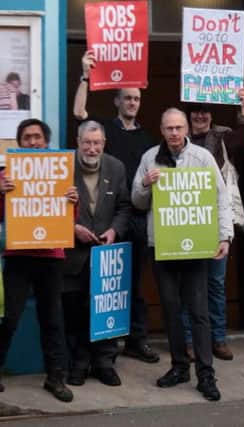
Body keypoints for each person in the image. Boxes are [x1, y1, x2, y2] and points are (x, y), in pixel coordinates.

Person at [131, 108, 233, 401]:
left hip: (195, 245)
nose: (174, 133)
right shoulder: (150, 158)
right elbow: (138, 203)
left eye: (178, 127)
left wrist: (224, 235)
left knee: (199, 311)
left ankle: (206, 374)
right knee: (171, 308)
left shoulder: (202, 158)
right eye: (169, 128)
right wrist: (145, 185)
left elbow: (220, 196)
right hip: (163, 245)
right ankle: (179, 366)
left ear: (186, 129)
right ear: (161, 130)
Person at [74, 50, 159, 364]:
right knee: (100, 284)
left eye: (136, 98)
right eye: (126, 98)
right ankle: (99, 349)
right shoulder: (102, 133)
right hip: (103, 219)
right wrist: (85, 74)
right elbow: (79, 111)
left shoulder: (150, 138)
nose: (132, 103)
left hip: (135, 217)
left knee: (134, 282)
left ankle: (136, 340)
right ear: (117, 101)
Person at [0, 119, 78, 402]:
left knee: (52, 319)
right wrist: (1, 193)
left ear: (46, 141)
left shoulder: (61, 172)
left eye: (37, 137)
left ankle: (55, 378)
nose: (33, 142)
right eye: (27, 137)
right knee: (8, 319)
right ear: (19, 143)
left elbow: (70, 220)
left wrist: (73, 200)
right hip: (18, 257)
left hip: (51, 257)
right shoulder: (6, 174)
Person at [182, 89, 244, 361]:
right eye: (195, 111)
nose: (200, 115)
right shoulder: (177, 140)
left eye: (205, 111)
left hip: (214, 222)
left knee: (215, 283)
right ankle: (189, 341)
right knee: (187, 284)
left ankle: (218, 339)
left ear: (211, 115)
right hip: (186, 221)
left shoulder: (221, 137)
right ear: (189, 116)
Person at [62, 120, 131, 387]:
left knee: (106, 309)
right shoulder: (63, 168)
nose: (92, 148)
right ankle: (79, 363)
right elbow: (51, 208)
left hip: (106, 255)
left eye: (97, 143)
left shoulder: (116, 167)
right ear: (78, 142)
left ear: (104, 143)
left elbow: (124, 207)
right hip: (74, 256)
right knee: (76, 312)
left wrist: (114, 231)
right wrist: (72, 228)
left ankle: (104, 363)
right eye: (87, 142)